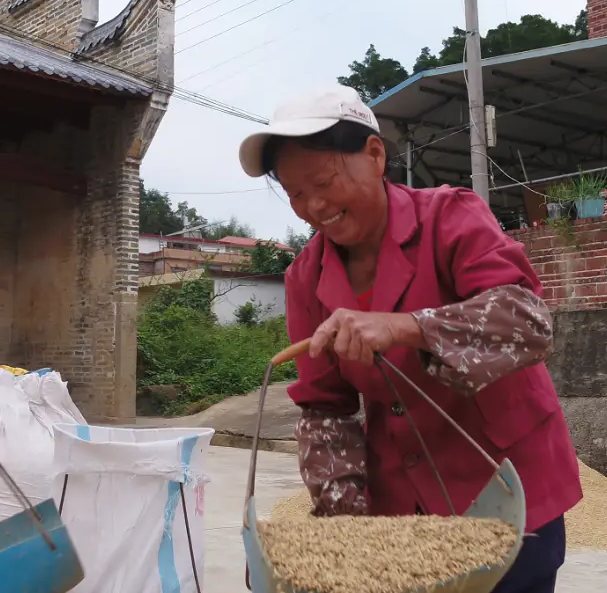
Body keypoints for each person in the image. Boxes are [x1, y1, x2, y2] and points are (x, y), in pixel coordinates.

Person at [238, 85, 582, 593]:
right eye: (294, 193)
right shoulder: (305, 279)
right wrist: (343, 532)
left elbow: (527, 321)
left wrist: (407, 326)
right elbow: (325, 408)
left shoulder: (449, 217)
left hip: (505, 488)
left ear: (374, 155)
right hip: (402, 508)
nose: (312, 206)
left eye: (322, 181)